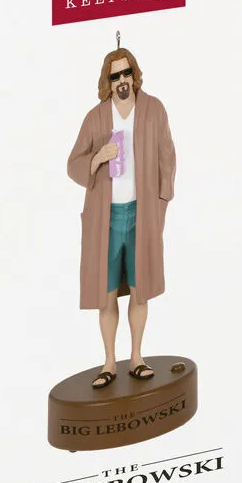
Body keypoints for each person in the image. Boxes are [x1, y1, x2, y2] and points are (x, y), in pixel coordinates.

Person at [67, 40, 176, 388]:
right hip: (107, 219)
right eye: (115, 76)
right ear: (108, 81)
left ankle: (137, 357)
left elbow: (167, 159)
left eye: (127, 72)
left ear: (135, 74)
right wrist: (98, 157)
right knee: (107, 292)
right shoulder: (96, 117)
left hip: (142, 215)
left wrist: (161, 205)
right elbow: (73, 164)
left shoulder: (154, 110)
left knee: (140, 290)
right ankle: (110, 362)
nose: (122, 80)